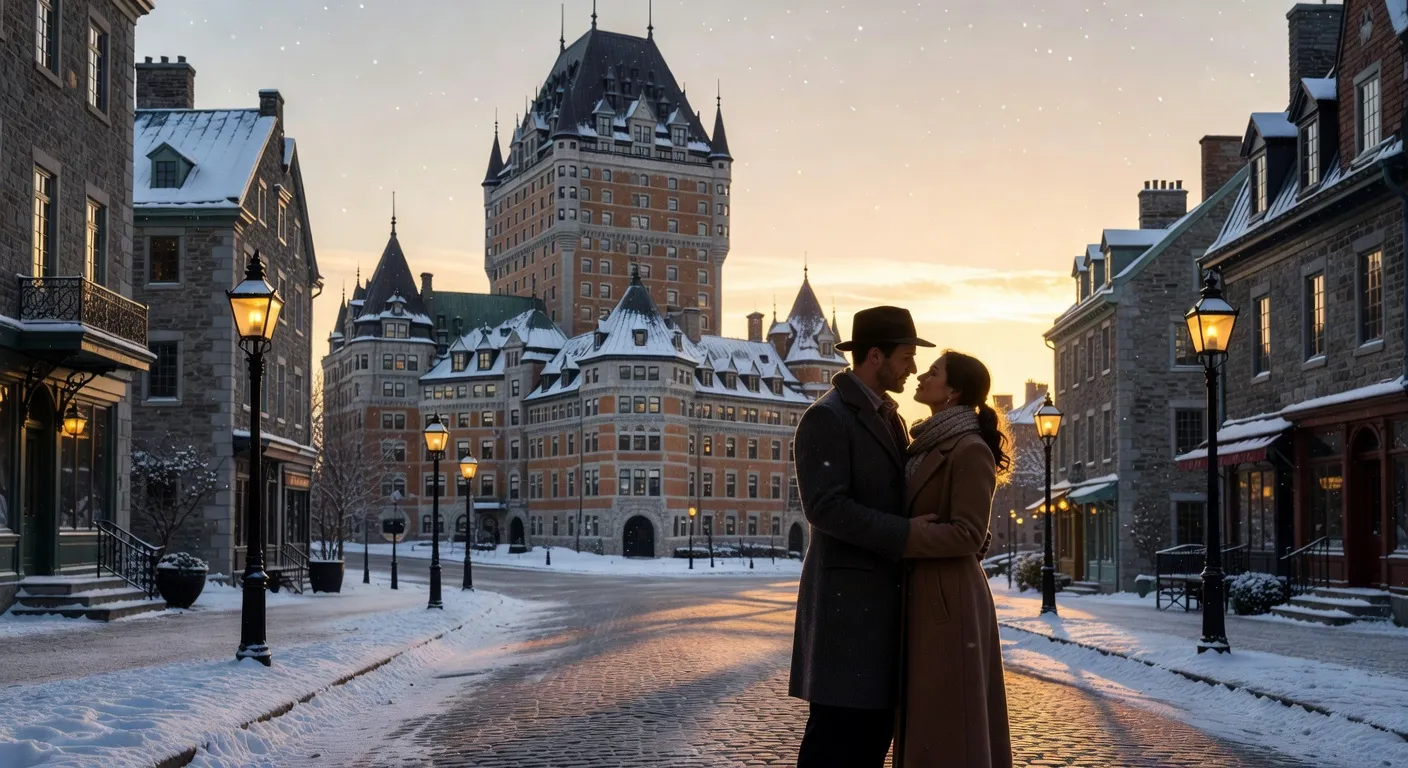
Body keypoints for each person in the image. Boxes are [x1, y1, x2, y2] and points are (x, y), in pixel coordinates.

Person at [789, 305, 938, 768]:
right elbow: (825, 508)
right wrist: (906, 534)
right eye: (906, 356)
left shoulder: (889, 416)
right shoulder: (827, 417)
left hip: (877, 615)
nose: (912, 367)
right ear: (875, 355)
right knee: (835, 748)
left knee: (871, 741)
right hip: (847, 616)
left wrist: (955, 531)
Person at [895, 351, 1013, 768]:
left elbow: (968, 533)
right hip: (927, 594)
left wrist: (905, 535)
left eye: (933, 372)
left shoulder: (969, 449)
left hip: (949, 601)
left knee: (949, 724)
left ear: (954, 390)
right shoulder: (924, 443)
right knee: (929, 718)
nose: (921, 377)